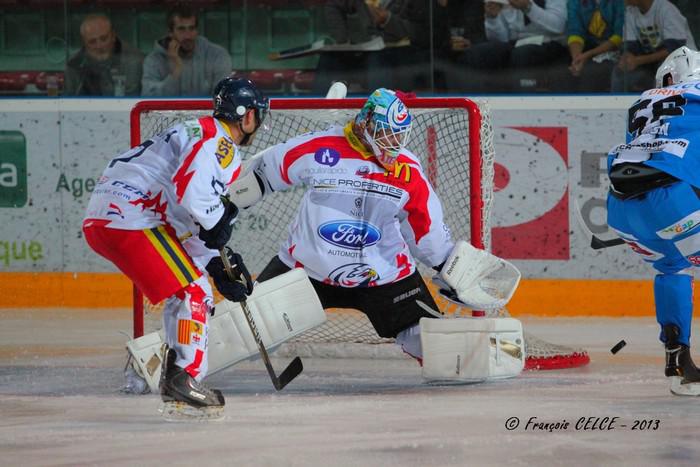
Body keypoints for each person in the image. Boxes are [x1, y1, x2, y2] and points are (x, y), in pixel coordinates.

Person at [82, 77, 269, 416]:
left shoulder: (198, 132)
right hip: (130, 216)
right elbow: (194, 195)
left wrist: (215, 260)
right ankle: (183, 378)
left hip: (112, 217)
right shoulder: (218, 141)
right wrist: (219, 225)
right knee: (194, 293)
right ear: (248, 117)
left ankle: (177, 377)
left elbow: (184, 213)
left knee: (188, 287)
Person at [232, 89, 454, 361]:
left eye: (398, 134)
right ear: (366, 123)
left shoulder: (407, 168)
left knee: (435, 345)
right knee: (243, 333)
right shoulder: (317, 146)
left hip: (383, 275)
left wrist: (447, 264)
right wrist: (228, 201)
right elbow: (265, 174)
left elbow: (425, 227)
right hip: (306, 269)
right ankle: (184, 365)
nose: (393, 142)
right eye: (386, 133)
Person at [606, 46, 700, 396]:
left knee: (673, 269)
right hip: (673, 202)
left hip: (621, 209)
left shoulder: (640, 103)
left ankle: (680, 364)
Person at [314, 0, 438, 94]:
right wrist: (343, 40)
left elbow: (423, 33)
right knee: (328, 59)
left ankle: (377, 114)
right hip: (364, 48)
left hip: (401, 51)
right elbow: (333, 5)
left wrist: (388, 20)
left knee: (377, 63)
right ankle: (315, 111)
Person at [449, 0, 569, 92]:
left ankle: (521, 103)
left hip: (548, 42)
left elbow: (558, 27)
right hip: (516, 43)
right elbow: (501, 39)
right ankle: (477, 107)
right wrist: (493, 18)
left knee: (522, 54)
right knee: (477, 54)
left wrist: (528, 7)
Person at [142, 4, 233, 96]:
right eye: (181, 29)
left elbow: (223, 97)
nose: (188, 35)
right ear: (170, 32)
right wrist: (175, 73)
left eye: (191, 28)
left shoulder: (217, 56)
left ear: (197, 30)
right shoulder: (154, 60)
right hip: (167, 110)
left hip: (206, 110)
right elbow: (147, 97)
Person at [610, 0, 695, 92]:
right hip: (650, 63)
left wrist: (638, 60)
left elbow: (675, 49)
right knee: (620, 72)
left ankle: (661, 102)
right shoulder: (630, 11)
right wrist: (627, 58)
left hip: (684, 62)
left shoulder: (666, 9)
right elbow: (630, 46)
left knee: (664, 71)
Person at [64, 14, 143, 96]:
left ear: (113, 36)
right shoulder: (74, 65)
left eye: (104, 39)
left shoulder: (133, 60)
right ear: (84, 42)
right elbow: (67, 101)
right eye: (92, 42)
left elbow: (130, 101)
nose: (99, 46)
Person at [565, 0, 624, 92]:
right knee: (562, 73)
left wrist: (589, 54)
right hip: (586, 49)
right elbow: (575, 32)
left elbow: (619, 36)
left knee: (591, 73)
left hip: (613, 51)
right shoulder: (574, 2)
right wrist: (576, 59)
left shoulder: (619, 2)